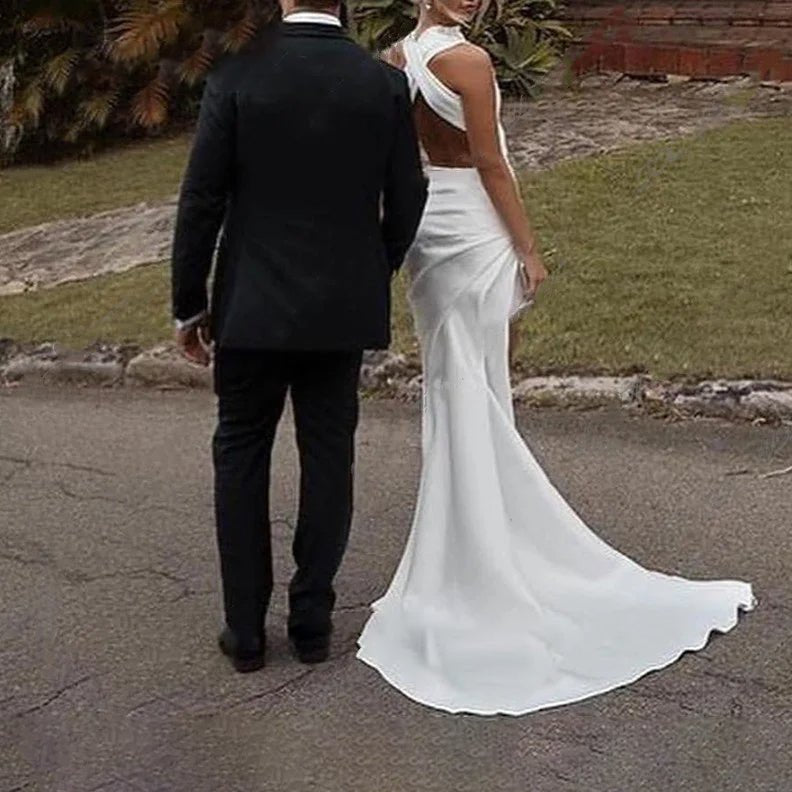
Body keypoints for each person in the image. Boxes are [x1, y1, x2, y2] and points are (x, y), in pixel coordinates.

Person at [354, 0, 756, 715]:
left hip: (427, 232)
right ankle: (487, 550)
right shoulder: (469, 62)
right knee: (472, 382)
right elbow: (489, 161)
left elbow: (400, 159)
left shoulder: (391, 61)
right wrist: (529, 248)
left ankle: (467, 545)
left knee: (455, 384)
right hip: (472, 225)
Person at [170, 0, 428, 672]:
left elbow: (202, 198)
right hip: (339, 309)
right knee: (328, 456)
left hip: (251, 309)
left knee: (241, 457)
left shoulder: (237, 75)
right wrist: (377, 265)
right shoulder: (382, 83)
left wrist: (187, 307)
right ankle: (312, 622)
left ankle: (245, 630)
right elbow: (409, 193)